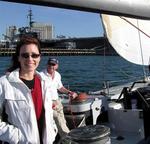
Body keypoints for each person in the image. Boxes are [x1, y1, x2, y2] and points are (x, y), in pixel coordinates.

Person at [0, 36, 57, 144]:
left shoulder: (45, 82)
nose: (30, 59)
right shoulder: (4, 83)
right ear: (18, 58)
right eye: (25, 55)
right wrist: (16, 137)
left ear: (40, 57)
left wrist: (53, 130)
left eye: (34, 55)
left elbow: (48, 113)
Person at [40, 57, 78, 139]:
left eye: (53, 64)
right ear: (47, 65)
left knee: (62, 121)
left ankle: (63, 138)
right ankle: (68, 139)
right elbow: (39, 93)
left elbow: (60, 88)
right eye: (50, 64)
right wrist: (48, 103)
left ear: (57, 66)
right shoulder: (41, 76)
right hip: (47, 102)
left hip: (57, 101)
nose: (51, 66)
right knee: (59, 120)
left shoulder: (57, 75)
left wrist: (69, 92)